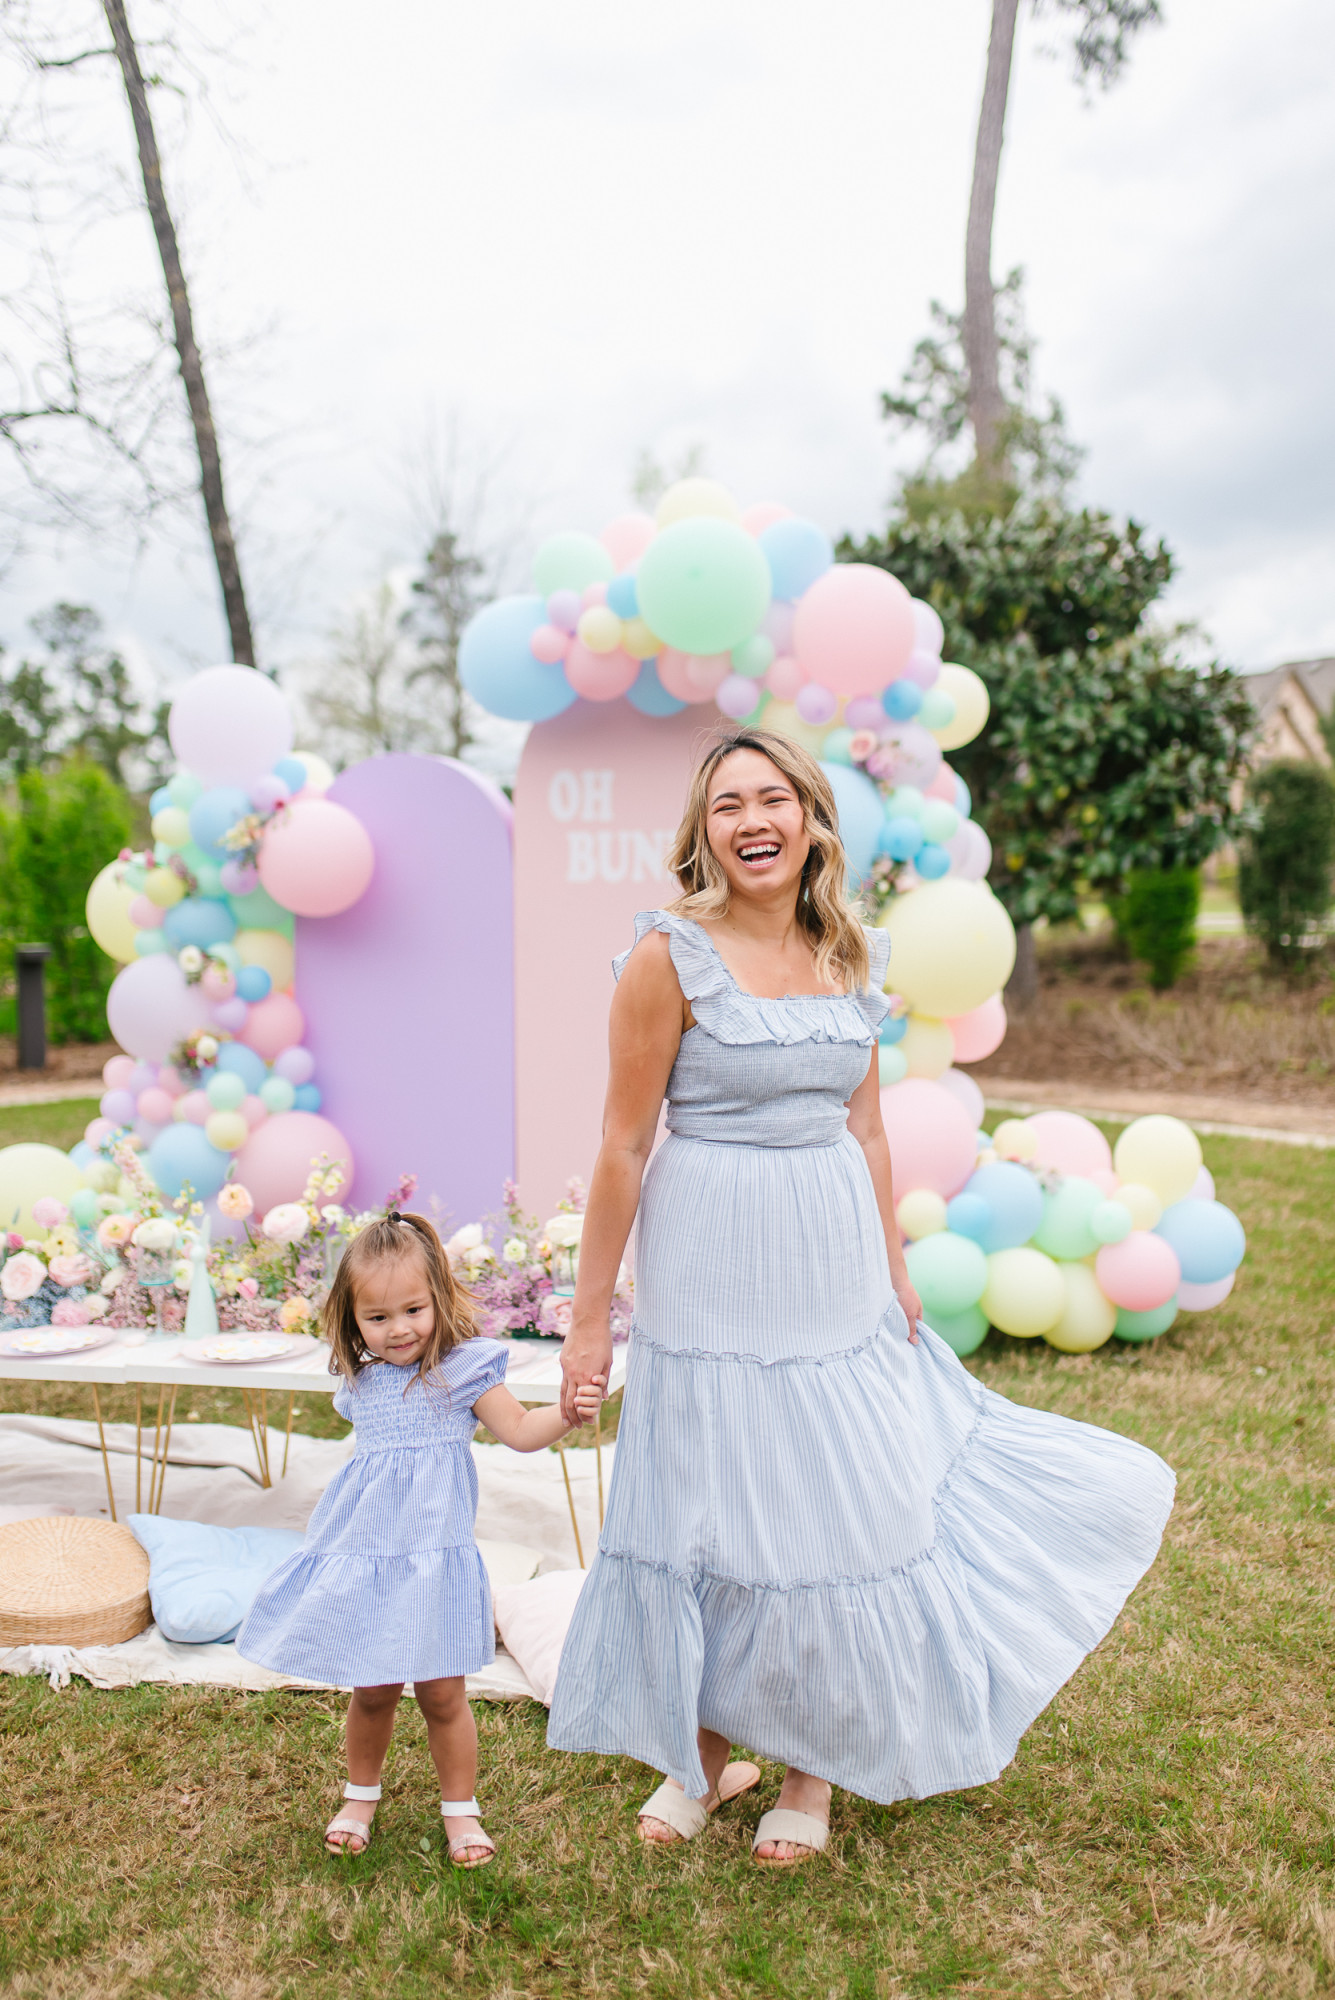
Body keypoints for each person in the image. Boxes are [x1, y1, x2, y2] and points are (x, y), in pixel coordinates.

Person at [548, 727, 1174, 1866]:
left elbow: (870, 1125)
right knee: (705, 1496)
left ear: (809, 816)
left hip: (828, 1262)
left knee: (823, 1499)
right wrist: (592, 1316)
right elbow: (622, 1145)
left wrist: (890, 1266)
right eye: (727, 803)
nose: (752, 819)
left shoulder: (848, 953)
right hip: (708, 1262)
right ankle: (699, 1751)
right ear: (703, 832)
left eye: (772, 796)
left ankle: (810, 1766)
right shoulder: (665, 955)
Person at [238, 1210, 604, 1865]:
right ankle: (360, 1794)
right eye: (377, 1318)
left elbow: (519, 1432)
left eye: (413, 1309)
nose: (398, 1329)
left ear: (439, 1297)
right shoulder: (361, 1384)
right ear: (351, 1320)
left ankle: (460, 1810)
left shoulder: (462, 1372)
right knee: (372, 1690)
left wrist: (568, 1414)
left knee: (442, 1694)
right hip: (370, 1557)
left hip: (433, 1564)